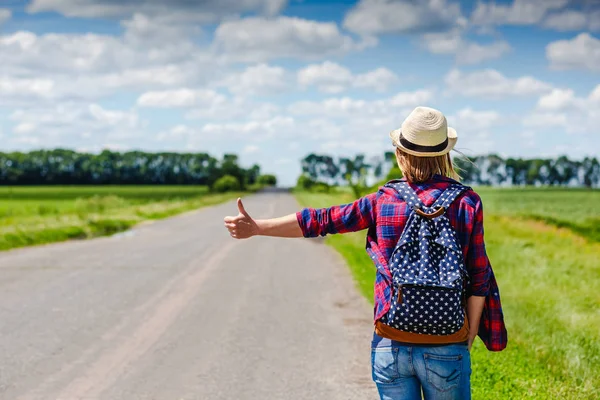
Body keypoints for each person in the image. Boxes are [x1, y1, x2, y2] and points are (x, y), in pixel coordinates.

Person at [223, 106, 507, 400]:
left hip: (390, 341)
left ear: (400, 155)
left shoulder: (383, 201)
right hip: (447, 342)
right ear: (445, 155)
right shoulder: (467, 202)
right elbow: (478, 278)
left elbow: (322, 220)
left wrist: (257, 226)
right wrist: (467, 338)